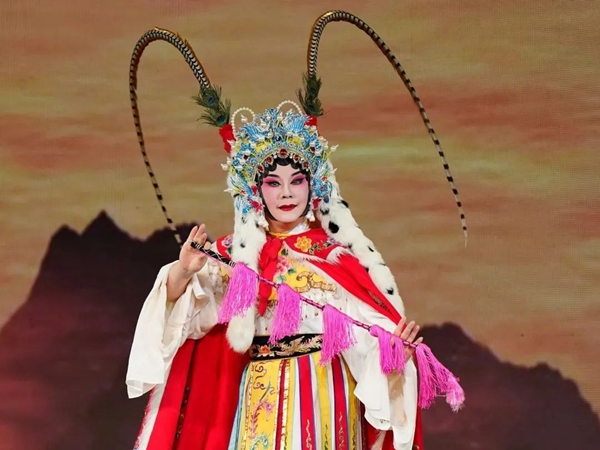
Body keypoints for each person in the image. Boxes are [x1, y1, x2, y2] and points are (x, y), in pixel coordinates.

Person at [126, 11, 466, 450]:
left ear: (314, 185)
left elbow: (367, 339)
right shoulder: (234, 258)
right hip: (261, 397)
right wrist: (183, 272)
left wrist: (392, 355)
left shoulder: (335, 256)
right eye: (273, 182)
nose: (286, 193)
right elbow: (185, 320)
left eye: (297, 180)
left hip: (327, 395)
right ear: (255, 191)